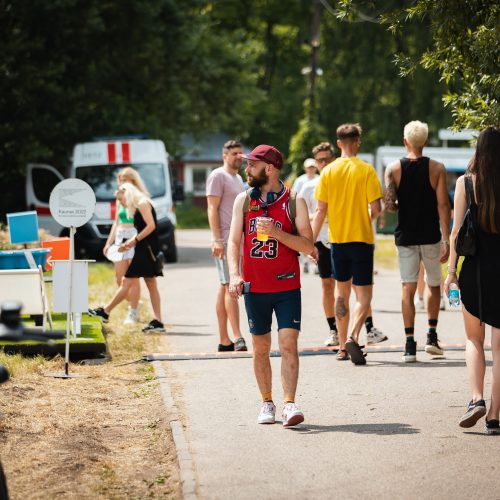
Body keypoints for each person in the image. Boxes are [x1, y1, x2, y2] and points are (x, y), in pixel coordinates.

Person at [227, 144, 314, 428]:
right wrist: (234, 274)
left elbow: (307, 245)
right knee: (260, 347)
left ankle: (290, 403)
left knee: (288, 343)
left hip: (287, 286)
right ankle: (267, 401)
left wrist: (277, 233)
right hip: (255, 288)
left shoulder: (294, 200)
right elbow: (233, 242)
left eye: (252, 164)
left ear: (270, 168)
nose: (247, 168)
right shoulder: (243, 200)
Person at [312, 123, 385, 365]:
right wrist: (366, 215)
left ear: (338, 143)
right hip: (361, 239)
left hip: (337, 241)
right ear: (358, 142)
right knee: (364, 296)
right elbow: (376, 209)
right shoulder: (366, 170)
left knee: (340, 293)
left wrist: (310, 242)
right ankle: (354, 336)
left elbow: (320, 211)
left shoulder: (328, 172)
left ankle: (342, 348)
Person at [444, 126, 500, 434]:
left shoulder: (467, 183)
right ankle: (494, 416)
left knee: (474, 340)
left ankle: (476, 398)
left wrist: (451, 273)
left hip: (475, 271)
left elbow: (455, 233)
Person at [384, 120, 450, 363]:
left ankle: (409, 344)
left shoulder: (393, 169)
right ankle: (431, 336)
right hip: (431, 235)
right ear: (425, 141)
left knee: (407, 287)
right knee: (432, 284)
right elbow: (443, 205)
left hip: (406, 236)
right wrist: (447, 238)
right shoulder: (437, 168)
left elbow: (389, 205)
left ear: (405, 141)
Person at [89, 182, 165, 333]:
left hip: (145, 248)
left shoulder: (143, 203)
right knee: (149, 282)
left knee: (129, 280)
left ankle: (105, 311)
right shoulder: (138, 205)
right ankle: (158, 321)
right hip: (142, 247)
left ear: (128, 194)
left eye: (122, 199)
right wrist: (128, 244)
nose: (122, 203)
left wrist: (133, 241)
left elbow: (151, 226)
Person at [206, 140, 247, 352]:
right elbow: (212, 208)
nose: (239, 157)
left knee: (224, 286)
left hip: (236, 239)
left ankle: (224, 339)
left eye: (241, 153)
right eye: (234, 154)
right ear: (225, 155)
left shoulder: (238, 178)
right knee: (230, 285)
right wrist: (216, 239)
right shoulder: (217, 175)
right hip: (223, 238)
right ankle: (238, 336)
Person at [103, 167, 149, 325]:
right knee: (119, 279)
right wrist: (109, 242)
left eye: (124, 180)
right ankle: (134, 302)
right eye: (120, 180)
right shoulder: (120, 197)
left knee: (132, 279)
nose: (121, 183)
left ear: (132, 180)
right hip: (120, 238)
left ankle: (133, 312)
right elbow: (116, 222)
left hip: (133, 238)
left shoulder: (138, 197)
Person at [293, 158, 319, 274]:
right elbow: (294, 196)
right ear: (305, 168)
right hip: (304, 215)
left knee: (316, 240)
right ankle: (305, 262)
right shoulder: (300, 180)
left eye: (313, 167)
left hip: (317, 214)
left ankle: (317, 264)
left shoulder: (319, 179)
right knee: (305, 239)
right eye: (309, 167)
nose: (311, 169)